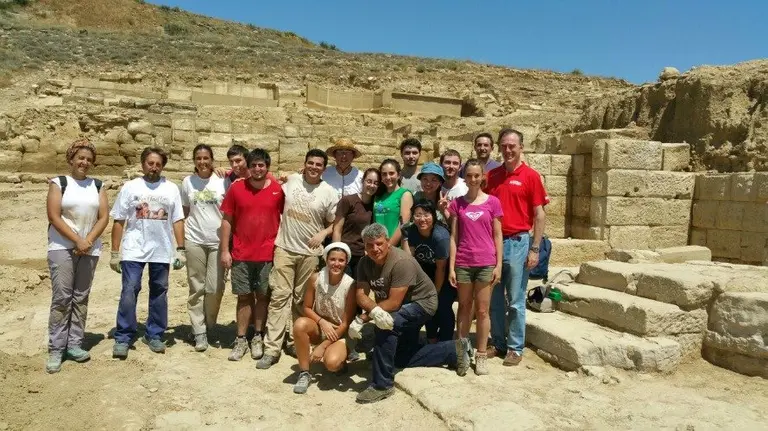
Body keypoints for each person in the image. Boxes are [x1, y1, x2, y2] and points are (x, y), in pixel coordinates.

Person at [352, 223, 458, 404]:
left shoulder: (401, 261)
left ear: (387, 242)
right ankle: (454, 350)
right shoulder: (364, 262)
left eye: (379, 243)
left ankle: (382, 385)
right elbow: (360, 294)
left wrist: (364, 317)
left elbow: (394, 303)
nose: (374, 249)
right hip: (399, 305)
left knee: (386, 324)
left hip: (422, 304)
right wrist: (374, 310)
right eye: (369, 245)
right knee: (401, 357)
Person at [257, 149, 338, 369]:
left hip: (310, 254)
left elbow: (335, 221)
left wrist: (323, 233)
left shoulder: (329, 192)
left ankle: (294, 341)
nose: (314, 167)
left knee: (301, 300)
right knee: (279, 297)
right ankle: (271, 348)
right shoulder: (292, 180)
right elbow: (266, 180)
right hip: (285, 247)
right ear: (304, 164)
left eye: (318, 164)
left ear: (324, 168)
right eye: (310, 163)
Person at [110, 147, 186, 359]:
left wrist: (181, 249)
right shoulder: (130, 187)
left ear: (163, 166)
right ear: (143, 164)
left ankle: (154, 333)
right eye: (150, 163)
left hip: (161, 249)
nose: (154, 168)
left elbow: (178, 219)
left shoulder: (171, 189)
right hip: (134, 249)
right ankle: (123, 336)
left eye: (158, 164)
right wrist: (115, 252)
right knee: (129, 290)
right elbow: (119, 220)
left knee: (159, 292)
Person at [484, 128, 548, 366]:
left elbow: (539, 215)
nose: (508, 150)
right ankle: (499, 343)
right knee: (496, 299)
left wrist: (535, 249)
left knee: (516, 299)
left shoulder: (531, 176)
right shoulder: (493, 176)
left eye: (512, 146)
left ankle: (515, 347)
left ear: (521, 147)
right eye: (504, 146)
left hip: (519, 242)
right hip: (493, 244)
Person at [44, 138, 109, 373]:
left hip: (90, 248)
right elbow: (54, 216)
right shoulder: (59, 183)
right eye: (80, 158)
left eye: (89, 160)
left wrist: (88, 240)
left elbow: (103, 217)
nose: (85, 162)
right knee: (62, 297)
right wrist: (78, 240)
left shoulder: (98, 185)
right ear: (71, 159)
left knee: (81, 297)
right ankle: (56, 348)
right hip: (62, 247)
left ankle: (74, 344)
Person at [219, 148, 284, 361]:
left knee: (263, 296)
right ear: (249, 166)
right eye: (254, 165)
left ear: (267, 167)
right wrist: (225, 251)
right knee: (244, 297)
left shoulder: (277, 190)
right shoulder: (237, 189)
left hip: (267, 255)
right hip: (242, 254)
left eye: (261, 165)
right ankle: (240, 339)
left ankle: (257, 336)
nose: (258, 169)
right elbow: (227, 220)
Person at [448, 159, 504, 376]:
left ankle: (481, 354)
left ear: (483, 177)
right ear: (465, 177)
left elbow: (498, 235)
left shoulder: (493, 202)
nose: (472, 179)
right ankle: (461, 353)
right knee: (463, 308)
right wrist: (452, 266)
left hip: (485, 262)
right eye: (469, 176)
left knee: (482, 310)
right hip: (463, 261)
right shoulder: (457, 204)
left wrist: (498, 264)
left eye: (476, 176)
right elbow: (454, 236)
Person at [292, 242, 357, 394]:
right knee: (300, 324)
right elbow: (306, 307)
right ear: (326, 260)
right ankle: (304, 372)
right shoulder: (315, 278)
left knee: (332, 364)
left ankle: (340, 359)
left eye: (341, 260)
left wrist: (322, 346)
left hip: (340, 331)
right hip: (320, 326)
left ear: (346, 262)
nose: (336, 263)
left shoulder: (350, 285)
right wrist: (322, 322)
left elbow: (346, 323)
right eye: (332, 259)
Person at [180, 144, 227, 352]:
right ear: (194, 160)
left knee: (215, 288)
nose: (202, 162)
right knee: (196, 287)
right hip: (194, 239)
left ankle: (208, 324)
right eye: (198, 158)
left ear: (212, 159)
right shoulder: (187, 182)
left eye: (206, 158)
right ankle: (199, 331)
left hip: (218, 241)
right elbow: (185, 210)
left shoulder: (222, 180)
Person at [401, 200, 454, 344]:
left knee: (442, 306)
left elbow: (441, 268)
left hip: (443, 272)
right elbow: (409, 259)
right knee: (425, 305)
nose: (422, 219)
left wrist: (435, 291)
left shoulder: (441, 236)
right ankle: (431, 338)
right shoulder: (411, 230)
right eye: (418, 215)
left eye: (426, 214)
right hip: (424, 272)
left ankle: (446, 341)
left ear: (434, 216)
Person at [332, 168, 379, 278]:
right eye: (369, 181)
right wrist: (337, 253)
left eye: (376, 183)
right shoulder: (348, 200)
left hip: (363, 257)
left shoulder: (376, 205)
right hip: (345, 254)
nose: (372, 185)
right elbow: (337, 229)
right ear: (362, 181)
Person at [373, 158, 413, 247]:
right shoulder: (378, 196)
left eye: (391, 173)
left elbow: (403, 225)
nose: (388, 177)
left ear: (398, 175)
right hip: (378, 247)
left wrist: (388, 246)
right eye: (384, 174)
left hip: (395, 248)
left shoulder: (404, 194)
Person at [412, 162, 450, 226]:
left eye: (434, 180)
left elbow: (451, 224)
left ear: (440, 182)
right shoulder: (414, 197)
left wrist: (443, 211)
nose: (428, 183)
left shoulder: (445, 200)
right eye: (425, 179)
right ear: (420, 180)